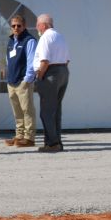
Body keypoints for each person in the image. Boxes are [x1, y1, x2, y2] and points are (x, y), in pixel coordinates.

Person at [33, 13, 71, 153]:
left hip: (50, 73)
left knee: (46, 111)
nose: (37, 27)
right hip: (63, 71)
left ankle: (52, 142)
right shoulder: (60, 36)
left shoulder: (45, 37)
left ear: (43, 25)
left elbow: (44, 61)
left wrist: (40, 77)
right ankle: (56, 141)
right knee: (56, 110)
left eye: (37, 24)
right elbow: (67, 59)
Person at [4, 14, 38, 148]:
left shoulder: (29, 41)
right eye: (13, 26)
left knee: (27, 110)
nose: (16, 28)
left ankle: (29, 138)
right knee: (17, 110)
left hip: (23, 81)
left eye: (19, 25)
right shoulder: (11, 41)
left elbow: (31, 62)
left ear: (24, 26)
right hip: (11, 81)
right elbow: (8, 60)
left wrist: (27, 80)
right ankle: (19, 135)